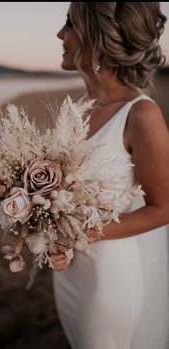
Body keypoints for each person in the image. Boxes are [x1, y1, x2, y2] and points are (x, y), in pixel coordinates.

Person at [50, 2, 169, 349]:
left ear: (98, 37)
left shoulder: (141, 114)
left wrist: (83, 233)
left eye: (70, 24)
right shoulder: (75, 108)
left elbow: (164, 207)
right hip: (72, 273)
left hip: (111, 276)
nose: (60, 34)